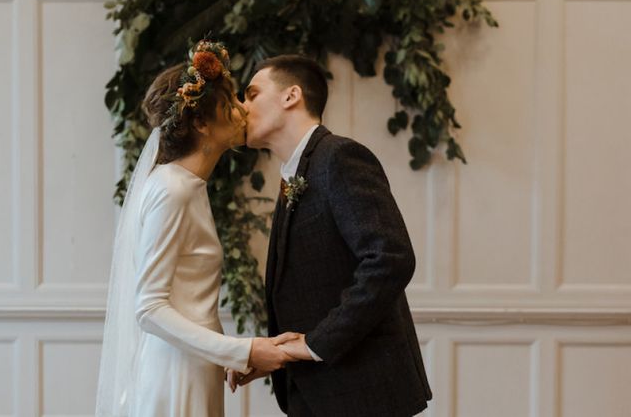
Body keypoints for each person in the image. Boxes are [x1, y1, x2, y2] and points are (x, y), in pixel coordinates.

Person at [95, 40, 297, 417]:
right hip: (175, 373)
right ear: (202, 123)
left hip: (195, 366)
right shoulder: (172, 189)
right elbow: (150, 308)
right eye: (231, 103)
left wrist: (225, 353)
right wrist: (244, 350)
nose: (243, 109)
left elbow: (189, 301)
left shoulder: (187, 186)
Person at [233, 54, 432, 417]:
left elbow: (390, 259)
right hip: (319, 390)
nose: (242, 106)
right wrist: (278, 354)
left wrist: (313, 345)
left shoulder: (338, 157)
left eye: (251, 94)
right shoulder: (293, 174)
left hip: (362, 391)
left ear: (291, 96)